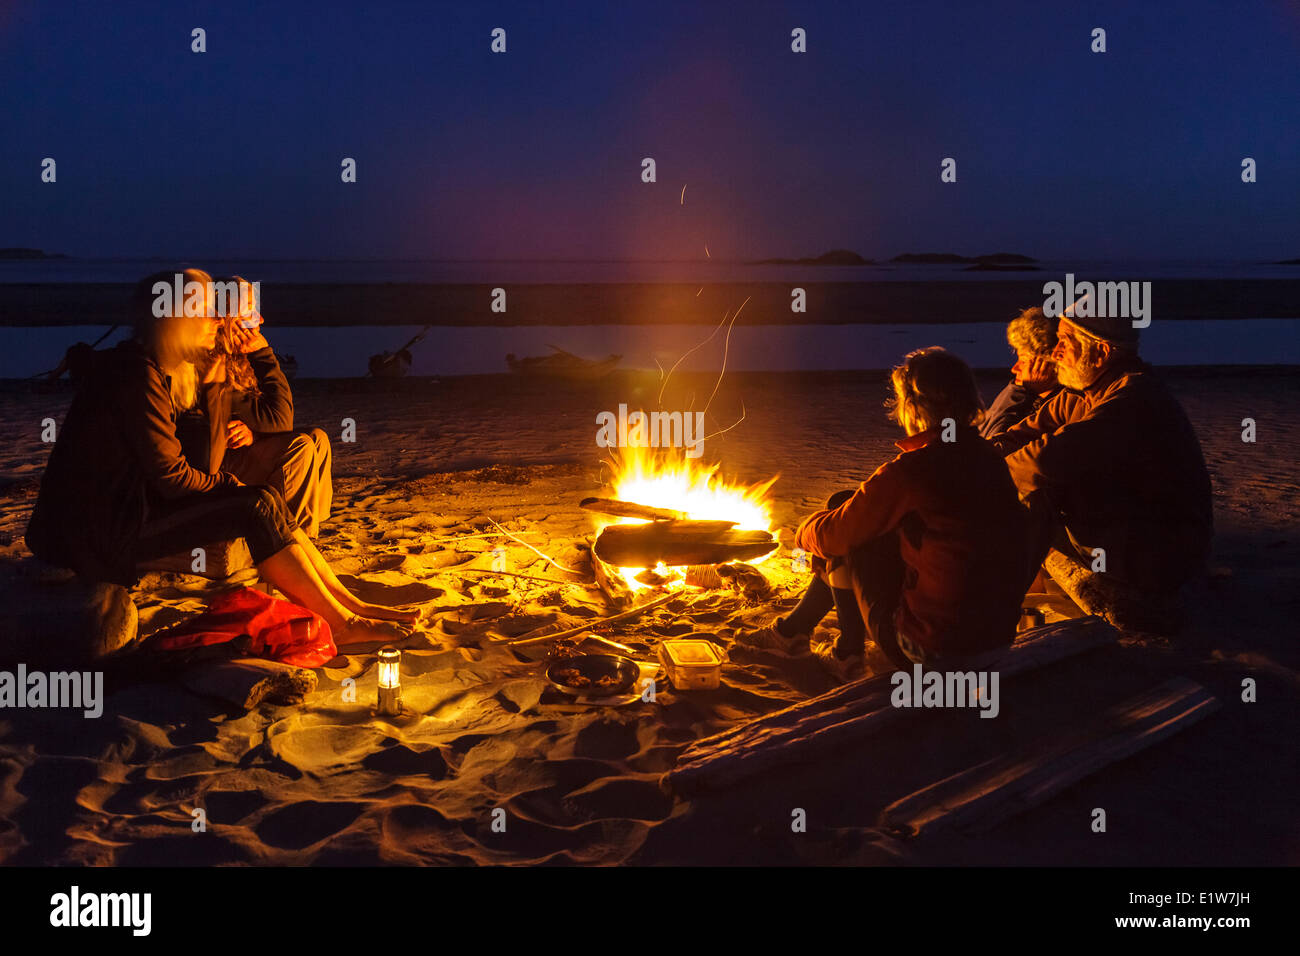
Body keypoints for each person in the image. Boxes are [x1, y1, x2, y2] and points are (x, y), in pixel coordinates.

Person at [25, 269, 416, 647]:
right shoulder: (137, 375)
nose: (218, 318)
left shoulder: (159, 368)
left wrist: (213, 390)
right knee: (256, 502)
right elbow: (175, 478)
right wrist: (227, 471)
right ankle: (343, 624)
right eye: (207, 310)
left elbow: (194, 466)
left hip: (126, 512)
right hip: (100, 531)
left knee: (262, 498)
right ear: (177, 319)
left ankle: (353, 608)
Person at [739, 347, 1032, 680]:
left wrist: (804, 531)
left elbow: (834, 535)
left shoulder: (915, 469)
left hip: (935, 653)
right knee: (850, 508)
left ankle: (845, 652)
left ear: (913, 407)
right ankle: (794, 631)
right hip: (995, 644)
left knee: (848, 534)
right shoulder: (987, 457)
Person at [989, 302, 1213, 634]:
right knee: (1017, 480)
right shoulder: (1086, 393)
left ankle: (989, 611)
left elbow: (1040, 461)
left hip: (1160, 556)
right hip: (1123, 533)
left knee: (1038, 491)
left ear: (1101, 352)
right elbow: (1018, 437)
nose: (1057, 350)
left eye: (1066, 340)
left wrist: (978, 476)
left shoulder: (1132, 399)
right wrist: (958, 461)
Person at [182, 275, 333, 537]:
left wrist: (255, 434)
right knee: (299, 447)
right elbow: (281, 419)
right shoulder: (214, 359)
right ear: (229, 319)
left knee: (317, 438)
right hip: (214, 466)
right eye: (250, 312)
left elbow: (269, 420)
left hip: (237, 452)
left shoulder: (238, 357)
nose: (260, 319)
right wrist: (265, 355)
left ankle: (308, 531)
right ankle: (289, 540)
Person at [980, 306, 1060, 439]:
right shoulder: (1028, 397)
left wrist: (1020, 393)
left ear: (1048, 364)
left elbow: (994, 442)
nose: (1014, 368)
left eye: (1023, 361)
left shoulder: (1057, 410)